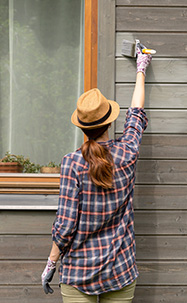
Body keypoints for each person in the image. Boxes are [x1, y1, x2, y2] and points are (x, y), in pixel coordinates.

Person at [41, 47, 152, 302]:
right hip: (119, 271)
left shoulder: (72, 163)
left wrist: (51, 264)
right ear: (110, 122)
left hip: (78, 273)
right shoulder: (127, 153)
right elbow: (136, 113)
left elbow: (66, 226)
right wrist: (141, 69)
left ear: (81, 126)